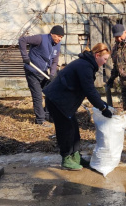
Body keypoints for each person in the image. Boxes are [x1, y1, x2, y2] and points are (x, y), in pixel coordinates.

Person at [43, 43, 113, 171]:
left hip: (64, 101)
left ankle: (75, 156)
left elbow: (90, 90)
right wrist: (103, 109)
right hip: (57, 100)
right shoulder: (84, 66)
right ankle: (66, 159)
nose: (105, 62)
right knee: (66, 130)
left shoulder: (87, 65)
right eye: (105, 59)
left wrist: (104, 105)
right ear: (97, 55)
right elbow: (90, 91)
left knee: (74, 128)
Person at [18, 25, 64, 126]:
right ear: (52, 34)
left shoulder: (57, 45)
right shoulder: (40, 38)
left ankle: (48, 114)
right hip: (32, 71)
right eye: (58, 36)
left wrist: (52, 74)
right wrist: (25, 56)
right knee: (38, 96)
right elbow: (22, 40)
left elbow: (55, 61)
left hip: (43, 72)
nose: (60, 39)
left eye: (61, 37)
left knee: (51, 93)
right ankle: (40, 120)